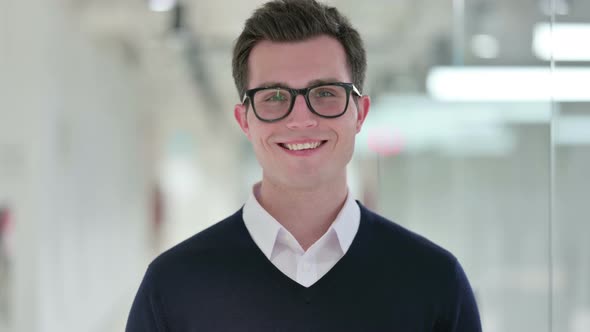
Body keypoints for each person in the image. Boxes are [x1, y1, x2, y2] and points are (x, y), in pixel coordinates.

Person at [126, 0, 482, 331]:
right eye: (274, 97)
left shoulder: (435, 283)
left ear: (359, 113)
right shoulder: (173, 288)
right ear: (244, 120)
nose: (301, 119)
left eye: (325, 93)